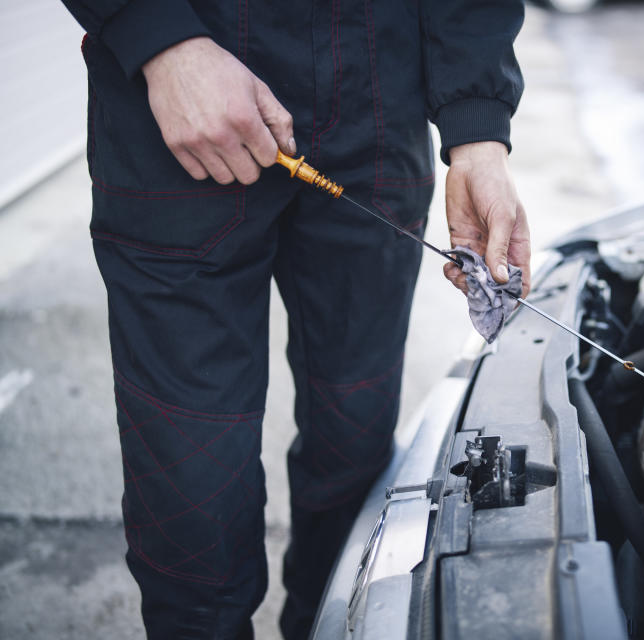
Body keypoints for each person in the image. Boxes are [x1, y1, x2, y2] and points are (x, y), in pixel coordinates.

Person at [58, 1, 531, 638]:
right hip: (181, 112)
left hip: (377, 120)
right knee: (192, 503)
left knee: (354, 452)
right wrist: (164, 43)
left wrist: (478, 132)